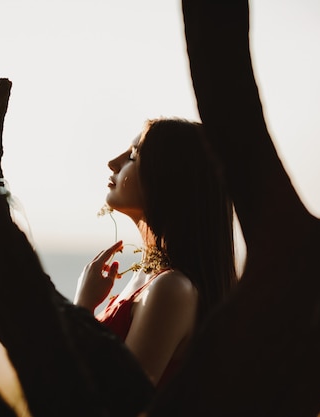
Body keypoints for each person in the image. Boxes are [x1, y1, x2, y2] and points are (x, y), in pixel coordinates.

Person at [74, 117, 237, 388]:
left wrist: (81, 310)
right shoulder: (151, 279)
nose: (114, 162)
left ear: (171, 177)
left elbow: (120, 402)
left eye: (134, 155)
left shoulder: (172, 288)